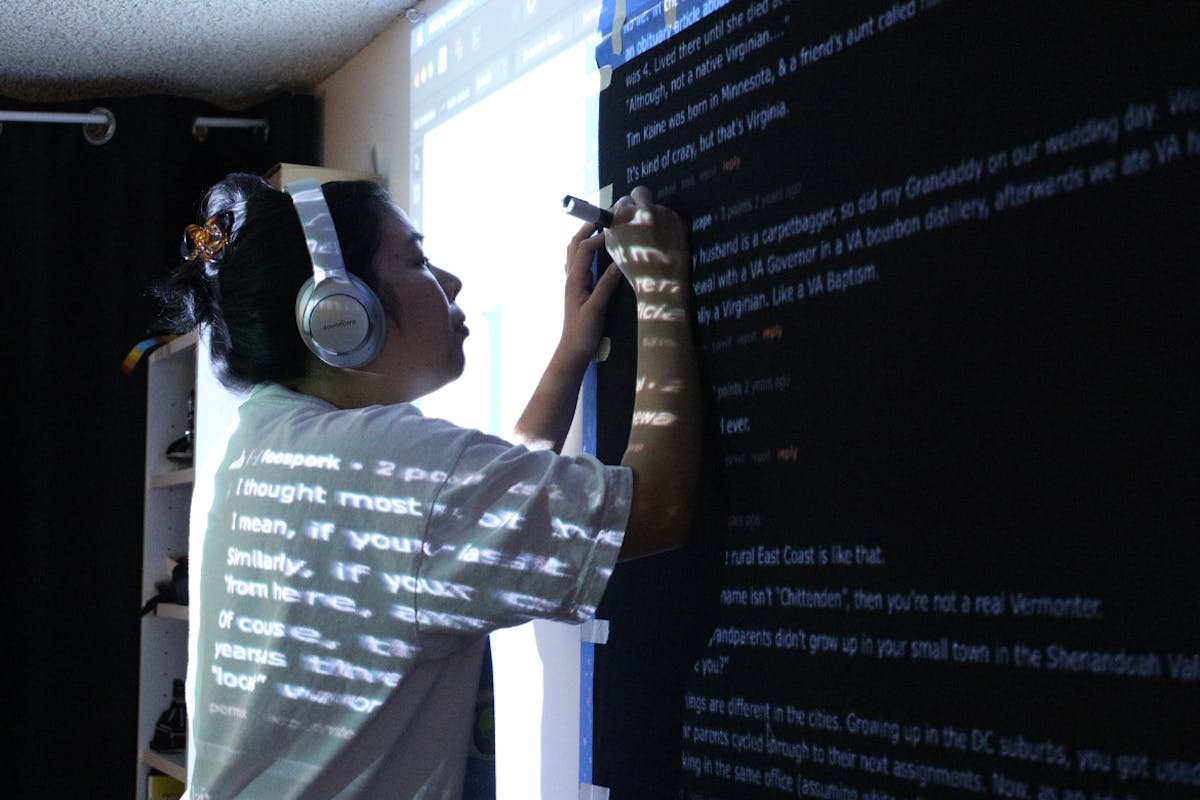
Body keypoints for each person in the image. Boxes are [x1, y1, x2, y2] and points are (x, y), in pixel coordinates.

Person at [152, 173, 700, 798]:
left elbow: (464, 519)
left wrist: (572, 352)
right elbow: (657, 505)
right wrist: (660, 289)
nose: (451, 282)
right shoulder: (385, 468)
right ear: (338, 312)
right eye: (417, 259)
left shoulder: (255, 449)